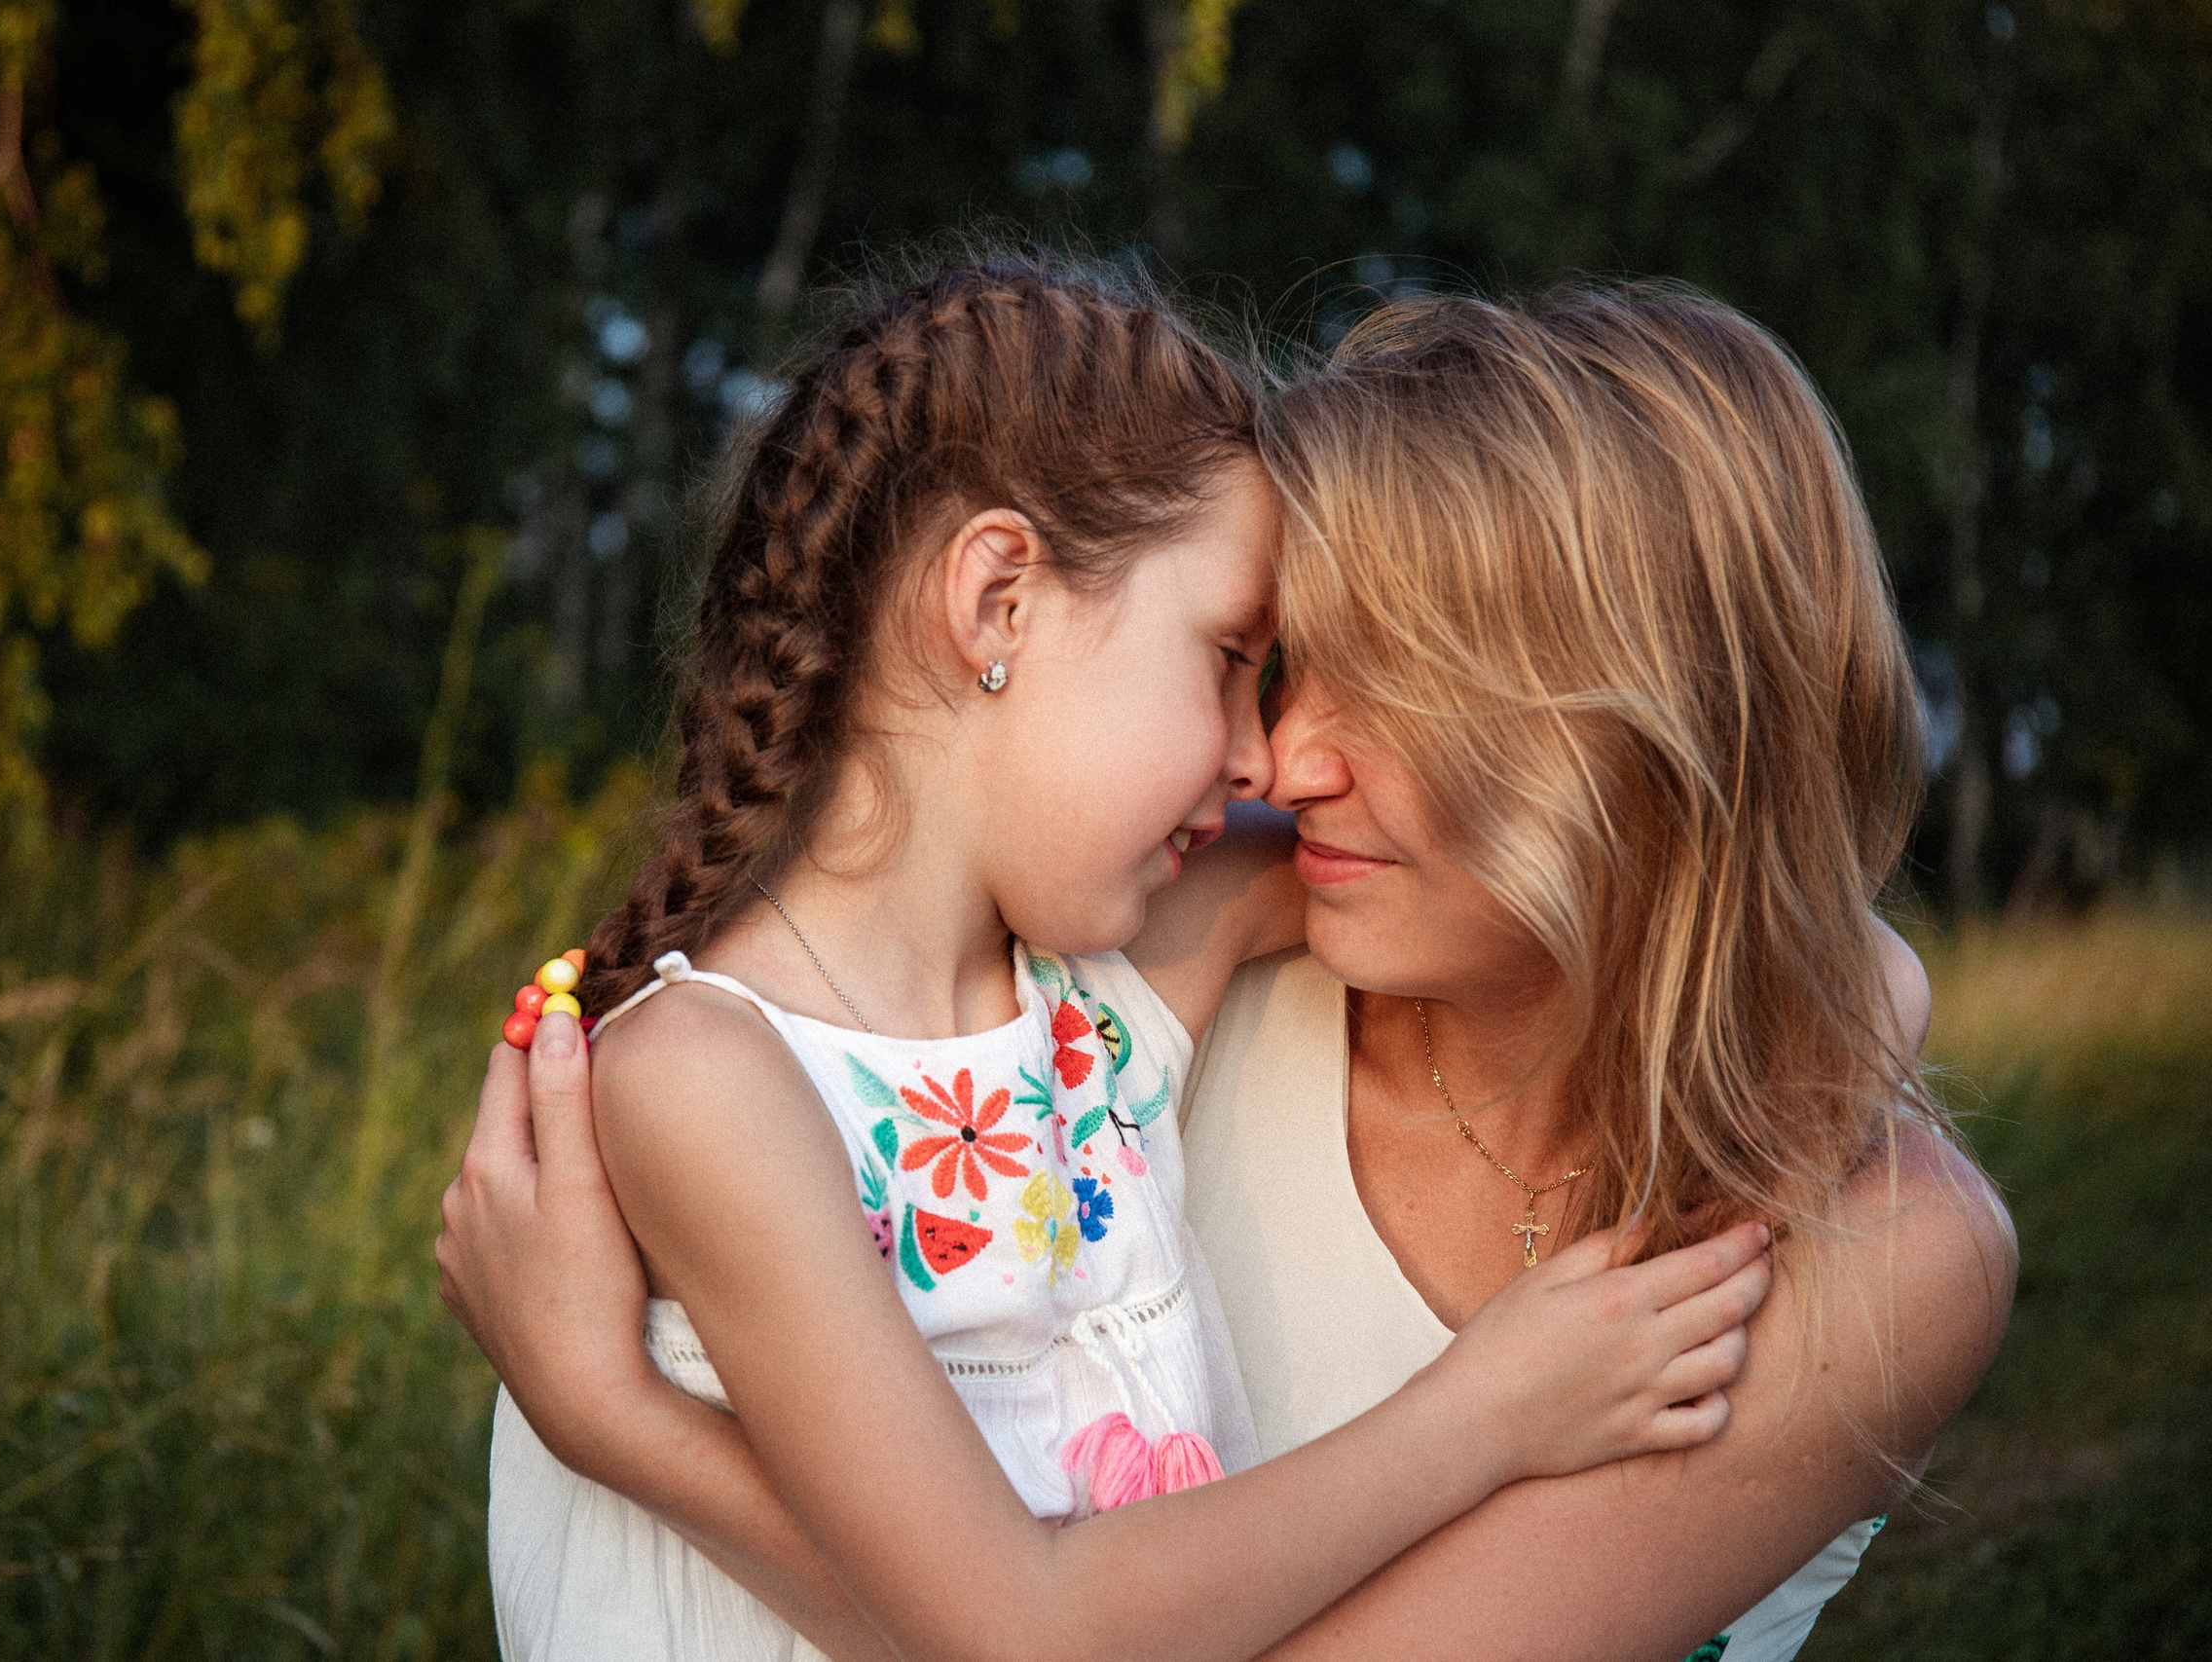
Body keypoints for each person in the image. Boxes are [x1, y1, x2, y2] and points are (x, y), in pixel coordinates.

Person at [454, 257, 1776, 1662]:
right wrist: (1492, 1410)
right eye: (1225, 659)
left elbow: (1583, 872)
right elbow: (1026, 1631)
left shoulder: (1097, 991)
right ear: (999, 601)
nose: (1266, 756)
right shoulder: (713, 1079)